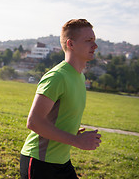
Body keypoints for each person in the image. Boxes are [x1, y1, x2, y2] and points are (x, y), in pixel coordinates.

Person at [20, 19, 102, 179]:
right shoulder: (57, 77)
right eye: (88, 40)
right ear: (71, 44)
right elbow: (34, 122)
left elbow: (54, 118)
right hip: (39, 163)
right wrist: (77, 141)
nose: (95, 45)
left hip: (62, 162)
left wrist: (70, 131)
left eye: (94, 40)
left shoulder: (79, 77)